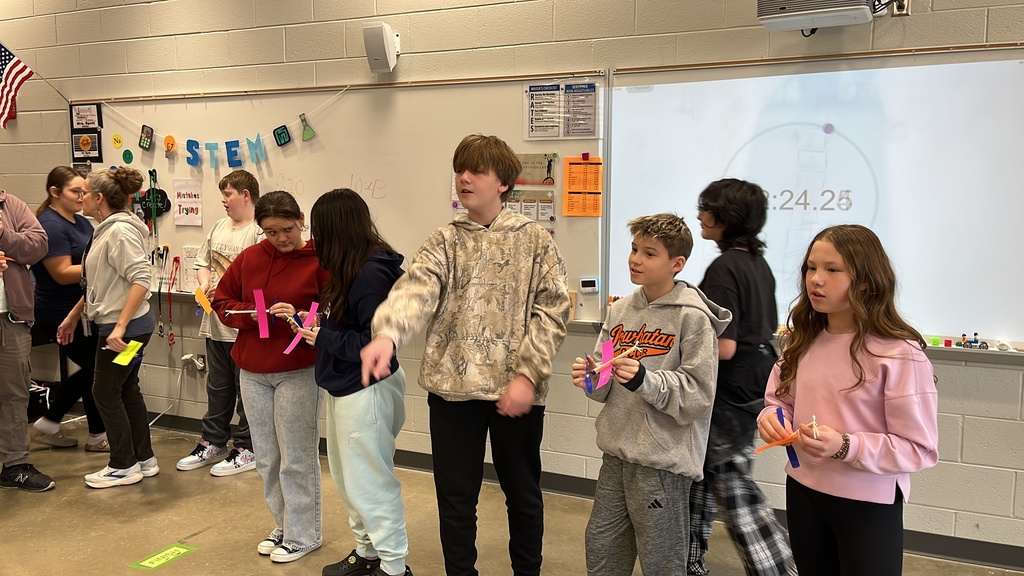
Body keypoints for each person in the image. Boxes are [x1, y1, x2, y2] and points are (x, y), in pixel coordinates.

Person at [361, 134, 570, 576]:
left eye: (477, 170)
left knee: (523, 496)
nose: (464, 178)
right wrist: (387, 335)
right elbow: (415, 289)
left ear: (504, 183)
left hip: (515, 393)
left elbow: (552, 310)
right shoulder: (444, 240)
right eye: (459, 169)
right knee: (456, 501)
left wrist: (528, 376)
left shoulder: (534, 240)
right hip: (452, 394)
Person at [757, 224, 939, 576]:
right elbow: (779, 402)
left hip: (867, 502)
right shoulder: (801, 340)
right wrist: (772, 416)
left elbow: (919, 448)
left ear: (867, 281)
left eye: (832, 269)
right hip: (803, 491)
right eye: (811, 267)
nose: (816, 279)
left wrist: (845, 446)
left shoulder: (900, 355)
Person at [570, 213, 730, 575]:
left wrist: (646, 380)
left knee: (661, 562)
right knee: (602, 548)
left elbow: (698, 396)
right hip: (617, 454)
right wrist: (591, 377)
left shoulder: (693, 318)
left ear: (677, 263)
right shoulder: (620, 310)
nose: (635, 259)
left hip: (662, 465)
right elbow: (604, 375)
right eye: (633, 249)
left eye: (649, 253)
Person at [300, 188, 412, 576]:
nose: (312, 240)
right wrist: (315, 321)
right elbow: (348, 322)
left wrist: (324, 338)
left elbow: (379, 342)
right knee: (350, 482)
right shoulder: (347, 267)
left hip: (367, 389)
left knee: (371, 483)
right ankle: (368, 554)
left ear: (335, 229)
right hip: (344, 386)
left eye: (317, 230)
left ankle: (394, 567)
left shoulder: (369, 273)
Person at [212, 190, 328, 564]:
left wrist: (300, 316)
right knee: (267, 457)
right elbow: (223, 303)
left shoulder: (320, 260)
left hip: (298, 370)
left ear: (301, 221)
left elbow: (334, 312)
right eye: (271, 232)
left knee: (296, 456)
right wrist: (257, 315)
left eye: (287, 229)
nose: (281, 239)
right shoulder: (250, 258)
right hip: (253, 369)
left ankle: (304, 533)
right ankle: (283, 524)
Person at [688, 179, 796, 576]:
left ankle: (779, 569)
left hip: (730, 387)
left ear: (725, 217)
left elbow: (725, 345)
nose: (700, 215)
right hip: (755, 379)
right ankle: (689, 562)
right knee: (701, 479)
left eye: (706, 209)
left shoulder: (723, 268)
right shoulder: (756, 263)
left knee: (733, 486)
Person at [57, 167, 159, 489]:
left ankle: (123, 465)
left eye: (84, 192)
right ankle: (144, 458)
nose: (80, 197)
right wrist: (75, 314)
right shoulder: (106, 229)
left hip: (124, 331)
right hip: (121, 326)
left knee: (104, 391)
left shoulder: (119, 232)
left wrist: (120, 327)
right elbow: (100, 285)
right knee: (126, 389)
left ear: (99, 198)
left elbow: (142, 279)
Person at [176, 169, 261, 476]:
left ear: (245, 195)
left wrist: (228, 290)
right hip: (216, 325)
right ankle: (214, 441)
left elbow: (261, 278)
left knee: (247, 390)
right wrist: (206, 282)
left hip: (244, 327)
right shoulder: (218, 227)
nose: (224, 200)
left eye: (228, 194)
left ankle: (248, 446)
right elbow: (202, 263)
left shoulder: (260, 231)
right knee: (218, 387)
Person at [29, 167, 108, 453]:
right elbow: (61, 272)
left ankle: (49, 423)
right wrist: (104, 266)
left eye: (83, 192)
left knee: (94, 368)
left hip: (84, 309)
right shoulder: (51, 225)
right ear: (54, 192)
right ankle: (97, 435)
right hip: (60, 314)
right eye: (75, 191)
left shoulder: (80, 222)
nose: (81, 197)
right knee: (96, 367)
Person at [0, 189, 54, 492]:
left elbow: (39, 246)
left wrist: (6, 234)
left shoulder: (10, 204)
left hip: (11, 317)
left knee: (14, 393)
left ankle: (14, 466)